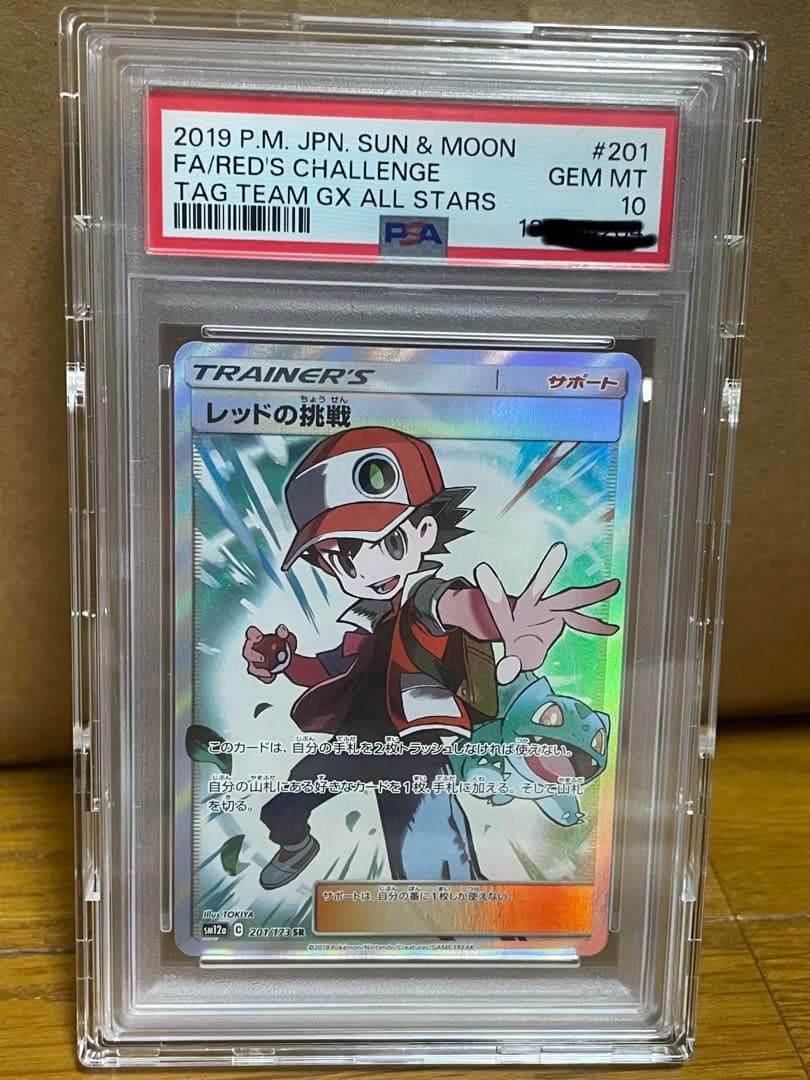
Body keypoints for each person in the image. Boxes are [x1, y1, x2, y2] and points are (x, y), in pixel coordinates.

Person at [243, 427, 619, 888]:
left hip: (414, 753)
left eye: (389, 542)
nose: (369, 568)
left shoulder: (424, 598)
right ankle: (297, 844)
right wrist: (285, 661)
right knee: (281, 809)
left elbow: (458, 607)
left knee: (434, 866)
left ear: (423, 531)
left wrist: (507, 620)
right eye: (345, 559)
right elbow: (327, 669)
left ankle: (461, 918)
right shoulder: (367, 624)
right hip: (356, 742)